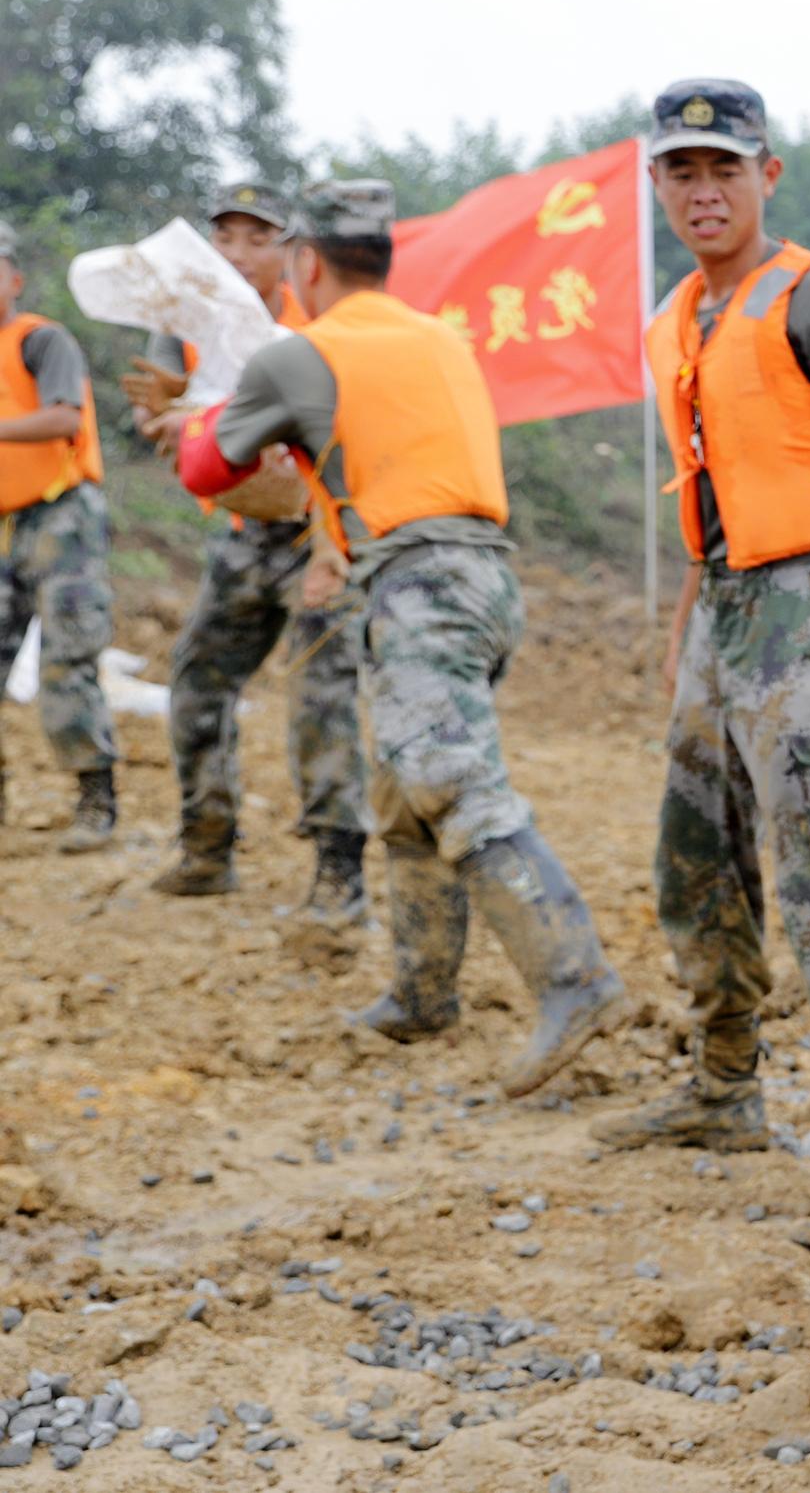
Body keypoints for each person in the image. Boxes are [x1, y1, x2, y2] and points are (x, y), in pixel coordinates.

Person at [170, 179, 626, 1099]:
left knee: (449, 784)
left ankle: (575, 978)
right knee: (404, 796)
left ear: (305, 262)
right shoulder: (441, 336)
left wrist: (195, 412)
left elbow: (207, 466)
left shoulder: (304, 352)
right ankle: (422, 993)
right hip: (482, 577)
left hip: (417, 584)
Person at [593, 80, 810, 1261]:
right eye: (680, 172)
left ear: (765, 176)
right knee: (693, 854)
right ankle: (725, 1080)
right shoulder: (677, 318)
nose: (702, 191)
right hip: (722, 610)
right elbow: (709, 490)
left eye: (722, 170)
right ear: (657, 185)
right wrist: (686, 637)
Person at [128, 182, 368, 919]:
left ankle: (339, 874)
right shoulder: (185, 322)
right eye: (225, 237)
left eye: (257, 238)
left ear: (291, 254)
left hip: (317, 537)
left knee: (321, 699)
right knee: (198, 680)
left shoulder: (315, 326)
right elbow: (152, 411)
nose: (237, 254)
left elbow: (352, 430)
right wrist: (166, 415)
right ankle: (207, 848)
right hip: (242, 534)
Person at [0, 219, 118, 852]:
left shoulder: (41, 341)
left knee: (68, 656)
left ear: (14, 278)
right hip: (5, 520)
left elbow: (63, 415)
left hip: (61, 515)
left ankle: (96, 801)